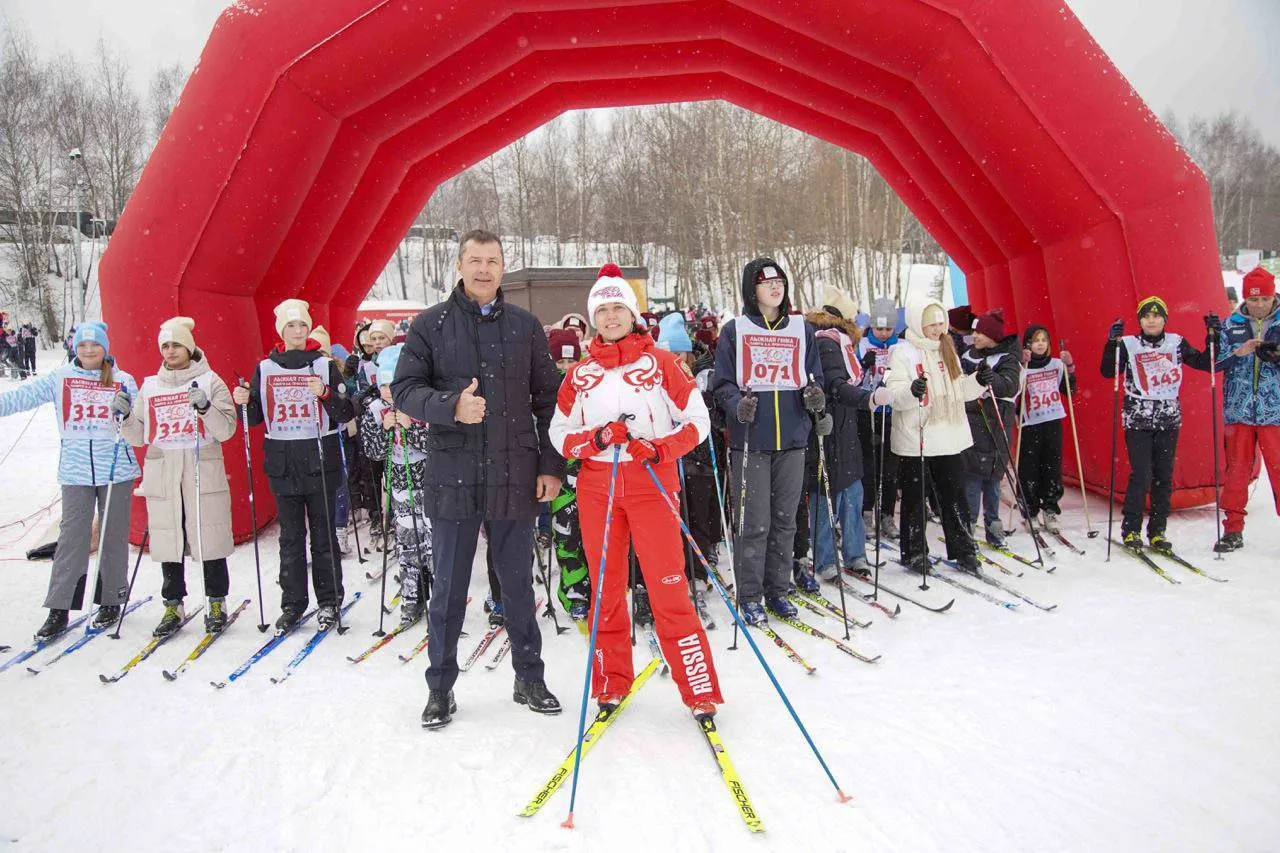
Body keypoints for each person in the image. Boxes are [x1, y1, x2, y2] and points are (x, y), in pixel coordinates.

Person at [392, 229, 564, 730]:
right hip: (454, 477)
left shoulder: (526, 326)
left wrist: (552, 466)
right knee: (447, 590)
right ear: (460, 265)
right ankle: (440, 688)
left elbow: (550, 401)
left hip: (516, 474)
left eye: (492, 261)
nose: (483, 269)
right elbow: (403, 390)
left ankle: (529, 677)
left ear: (503, 267)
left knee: (516, 585)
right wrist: (451, 407)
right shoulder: (431, 325)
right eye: (474, 260)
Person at [549, 264, 722, 717]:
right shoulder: (580, 374)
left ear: (632, 312)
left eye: (618, 307)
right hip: (597, 486)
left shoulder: (662, 363)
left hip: (649, 483)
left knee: (668, 588)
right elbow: (558, 432)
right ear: (593, 317)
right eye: (602, 309)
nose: (610, 317)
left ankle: (698, 689)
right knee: (606, 590)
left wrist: (657, 447)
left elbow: (698, 423)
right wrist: (597, 439)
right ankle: (610, 682)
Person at [0, 322, 140, 639]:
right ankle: (59, 608)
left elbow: (139, 422)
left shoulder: (123, 380)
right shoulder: (61, 378)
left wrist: (127, 411)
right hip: (76, 472)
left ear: (105, 348)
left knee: (112, 535)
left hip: (116, 470)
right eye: (82, 346)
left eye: (95, 345)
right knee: (72, 538)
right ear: (74, 349)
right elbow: (21, 398)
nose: (88, 350)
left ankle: (110, 599)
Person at [711, 259, 825, 624]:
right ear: (752, 289)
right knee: (753, 522)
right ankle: (750, 593)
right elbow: (722, 384)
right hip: (751, 440)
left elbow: (814, 376)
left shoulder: (801, 328)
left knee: (785, 521)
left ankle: (778, 589)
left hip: (792, 438)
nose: (775, 288)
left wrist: (815, 397)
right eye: (766, 282)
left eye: (780, 282)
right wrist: (735, 405)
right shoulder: (735, 330)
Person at [232, 299, 347, 630]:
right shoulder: (266, 368)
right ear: (281, 331)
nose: (297, 332)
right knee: (291, 540)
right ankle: (293, 603)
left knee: (323, 537)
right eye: (290, 326)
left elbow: (345, 412)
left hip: (320, 462)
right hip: (283, 465)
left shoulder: (325, 365)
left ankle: (329, 601)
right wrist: (245, 400)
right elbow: (255, 417)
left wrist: (325, 393)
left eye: (302, 326)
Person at [119, 317, 237, 636]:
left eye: (176, 345)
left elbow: (226, 429)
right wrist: (125, 417)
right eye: (165, 346)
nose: (170, 351)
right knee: (169, 537)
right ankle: (173, 603)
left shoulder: (211, 381)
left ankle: (216, 600)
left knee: (208, 534)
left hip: (201, 469)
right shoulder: (151, 385)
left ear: (189, 347)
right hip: (165, 470)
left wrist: (205, 409)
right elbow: (138, 435)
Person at [1101, 296, 1215, 553]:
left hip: (1167, 418)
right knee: (1141, 474)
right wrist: (1111, 344)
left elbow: (1204, 362)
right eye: (1146, 316)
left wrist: (1212, 337)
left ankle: (1157, 530)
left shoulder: (1176, 343)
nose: (1151, 320)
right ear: (1140, 320)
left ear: (1164, 319)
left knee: (1163, 476)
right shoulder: (1129, 344)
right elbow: (1108, 371)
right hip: (1138, 419)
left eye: (1156, 316)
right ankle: (1131, 529)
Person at [885, 298, 990, 573]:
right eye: (931, 324)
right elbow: (894, 395)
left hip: (947, 435)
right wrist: (911, 390)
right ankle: (915, 552)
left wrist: (978, 381)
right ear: (918, 323)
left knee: (953, 496)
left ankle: (964, 549)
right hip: (916, 436)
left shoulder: (948, 349)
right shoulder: (902, 352)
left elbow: (960, 392)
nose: (937, 329)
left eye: (940, 322)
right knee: (915, 498)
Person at [804, 287, 881, 583]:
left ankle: (854, 553)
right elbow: (835, 384)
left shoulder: (840, 342)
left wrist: (865, 372)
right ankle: (825, 558)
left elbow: (844, 376)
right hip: (827, 427)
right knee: (827, 493)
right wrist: (867, 399)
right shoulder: (827, 340)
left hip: (844, 428)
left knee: (851, 491)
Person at [357, 343, 432, 625]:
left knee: (434, 542)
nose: (390, 391)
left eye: (396, 383)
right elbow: (373, 452)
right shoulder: (376, 409)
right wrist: (384, 427)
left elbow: (437, 444)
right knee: (409, 542)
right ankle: (412, 595)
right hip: (400, 485)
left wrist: (411, 429)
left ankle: (438, 594)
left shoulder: (424, 403)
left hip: (429, 481)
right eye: (384, 384)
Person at [1214, 267, 1280, 552]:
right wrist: (1236, 353)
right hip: (1238, 411)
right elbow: (1213, 364)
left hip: (1275, 412)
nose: (1259, 305)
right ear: (1245, 298)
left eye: (1264, 299)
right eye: (1254, 300)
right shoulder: (1231, 324)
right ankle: (1233, 529)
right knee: (1237, 472)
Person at [960, 309, 1022, 547]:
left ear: (992, 335)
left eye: (980, 332)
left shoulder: (1007, 358)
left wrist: (990, 379)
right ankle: (968, 530)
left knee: (993, 480)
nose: (974, 336)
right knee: (972, 480)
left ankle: (994, 529)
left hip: (996, 425)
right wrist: (976, 379)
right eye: (974, 331)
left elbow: (1008, 386)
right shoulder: (968, 356)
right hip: (973, 424)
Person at [546, 329, 591, 621]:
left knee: (596, 536)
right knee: (566, 535)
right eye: (558, 363)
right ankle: (574, 591)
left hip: (589, 473)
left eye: (569, 361)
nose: (564, 369)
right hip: (561, 477)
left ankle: (600, 587)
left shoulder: (588, 382)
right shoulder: (545, 388)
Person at [1016, 325, 1077, 534]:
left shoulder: (1056, 364)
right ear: (1028, 345)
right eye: (1035, 340)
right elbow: (1014, 394)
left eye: (1043, 340)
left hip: (1052, 421)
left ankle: (1050, 509)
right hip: (1030, 423)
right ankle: (1030, 510)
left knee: (1052, 467)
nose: (1040, 344)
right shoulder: (1022, 366)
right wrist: (1020, 364)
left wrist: (1070, 368)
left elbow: (1070, 390)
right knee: (1029, 468)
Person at [857, 297, 901, 540]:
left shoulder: (900, 346)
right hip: (869, 413)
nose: (883, 334)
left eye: (888, 329)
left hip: (893, 413)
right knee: (869, 466)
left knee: (890, 469)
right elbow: (851, 378)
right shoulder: (862, 345)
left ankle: (887, 515)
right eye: (879, 328)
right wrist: (863, 366)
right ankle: (866, 512)